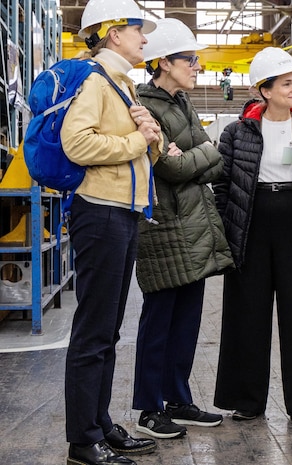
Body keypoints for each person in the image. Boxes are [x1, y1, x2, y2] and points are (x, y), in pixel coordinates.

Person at [212, 47, 292, 428]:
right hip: (250, 226)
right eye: (287, 84)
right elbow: (222, 183)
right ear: (264, 90)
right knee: (245, 314)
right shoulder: (237, 132)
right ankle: (246, 400)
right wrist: (226, 223)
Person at [60, 0, 163, 464]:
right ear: (113, 32)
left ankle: (98, 423)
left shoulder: (124, 86)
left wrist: (153, 142)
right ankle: (83, 440)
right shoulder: (95, 80)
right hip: (99, 212)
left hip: (122, 210)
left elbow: (138, 157)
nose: (145, 37)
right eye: (138, 29)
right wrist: (137, 140)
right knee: (93, 331)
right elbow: (77, 143)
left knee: (108, 330)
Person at [131, 18, 234, 440]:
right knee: (159, 321)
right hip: (164, 226)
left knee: (188, 319)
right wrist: (201, 152)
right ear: (163, 62)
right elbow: (169, 167)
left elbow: (216, 159)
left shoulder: (182, 104)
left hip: (193, 225)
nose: (196, 66)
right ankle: (149, 409)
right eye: (189, 60)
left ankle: (178, 399)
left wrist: (199, 152)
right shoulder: (144, 104)